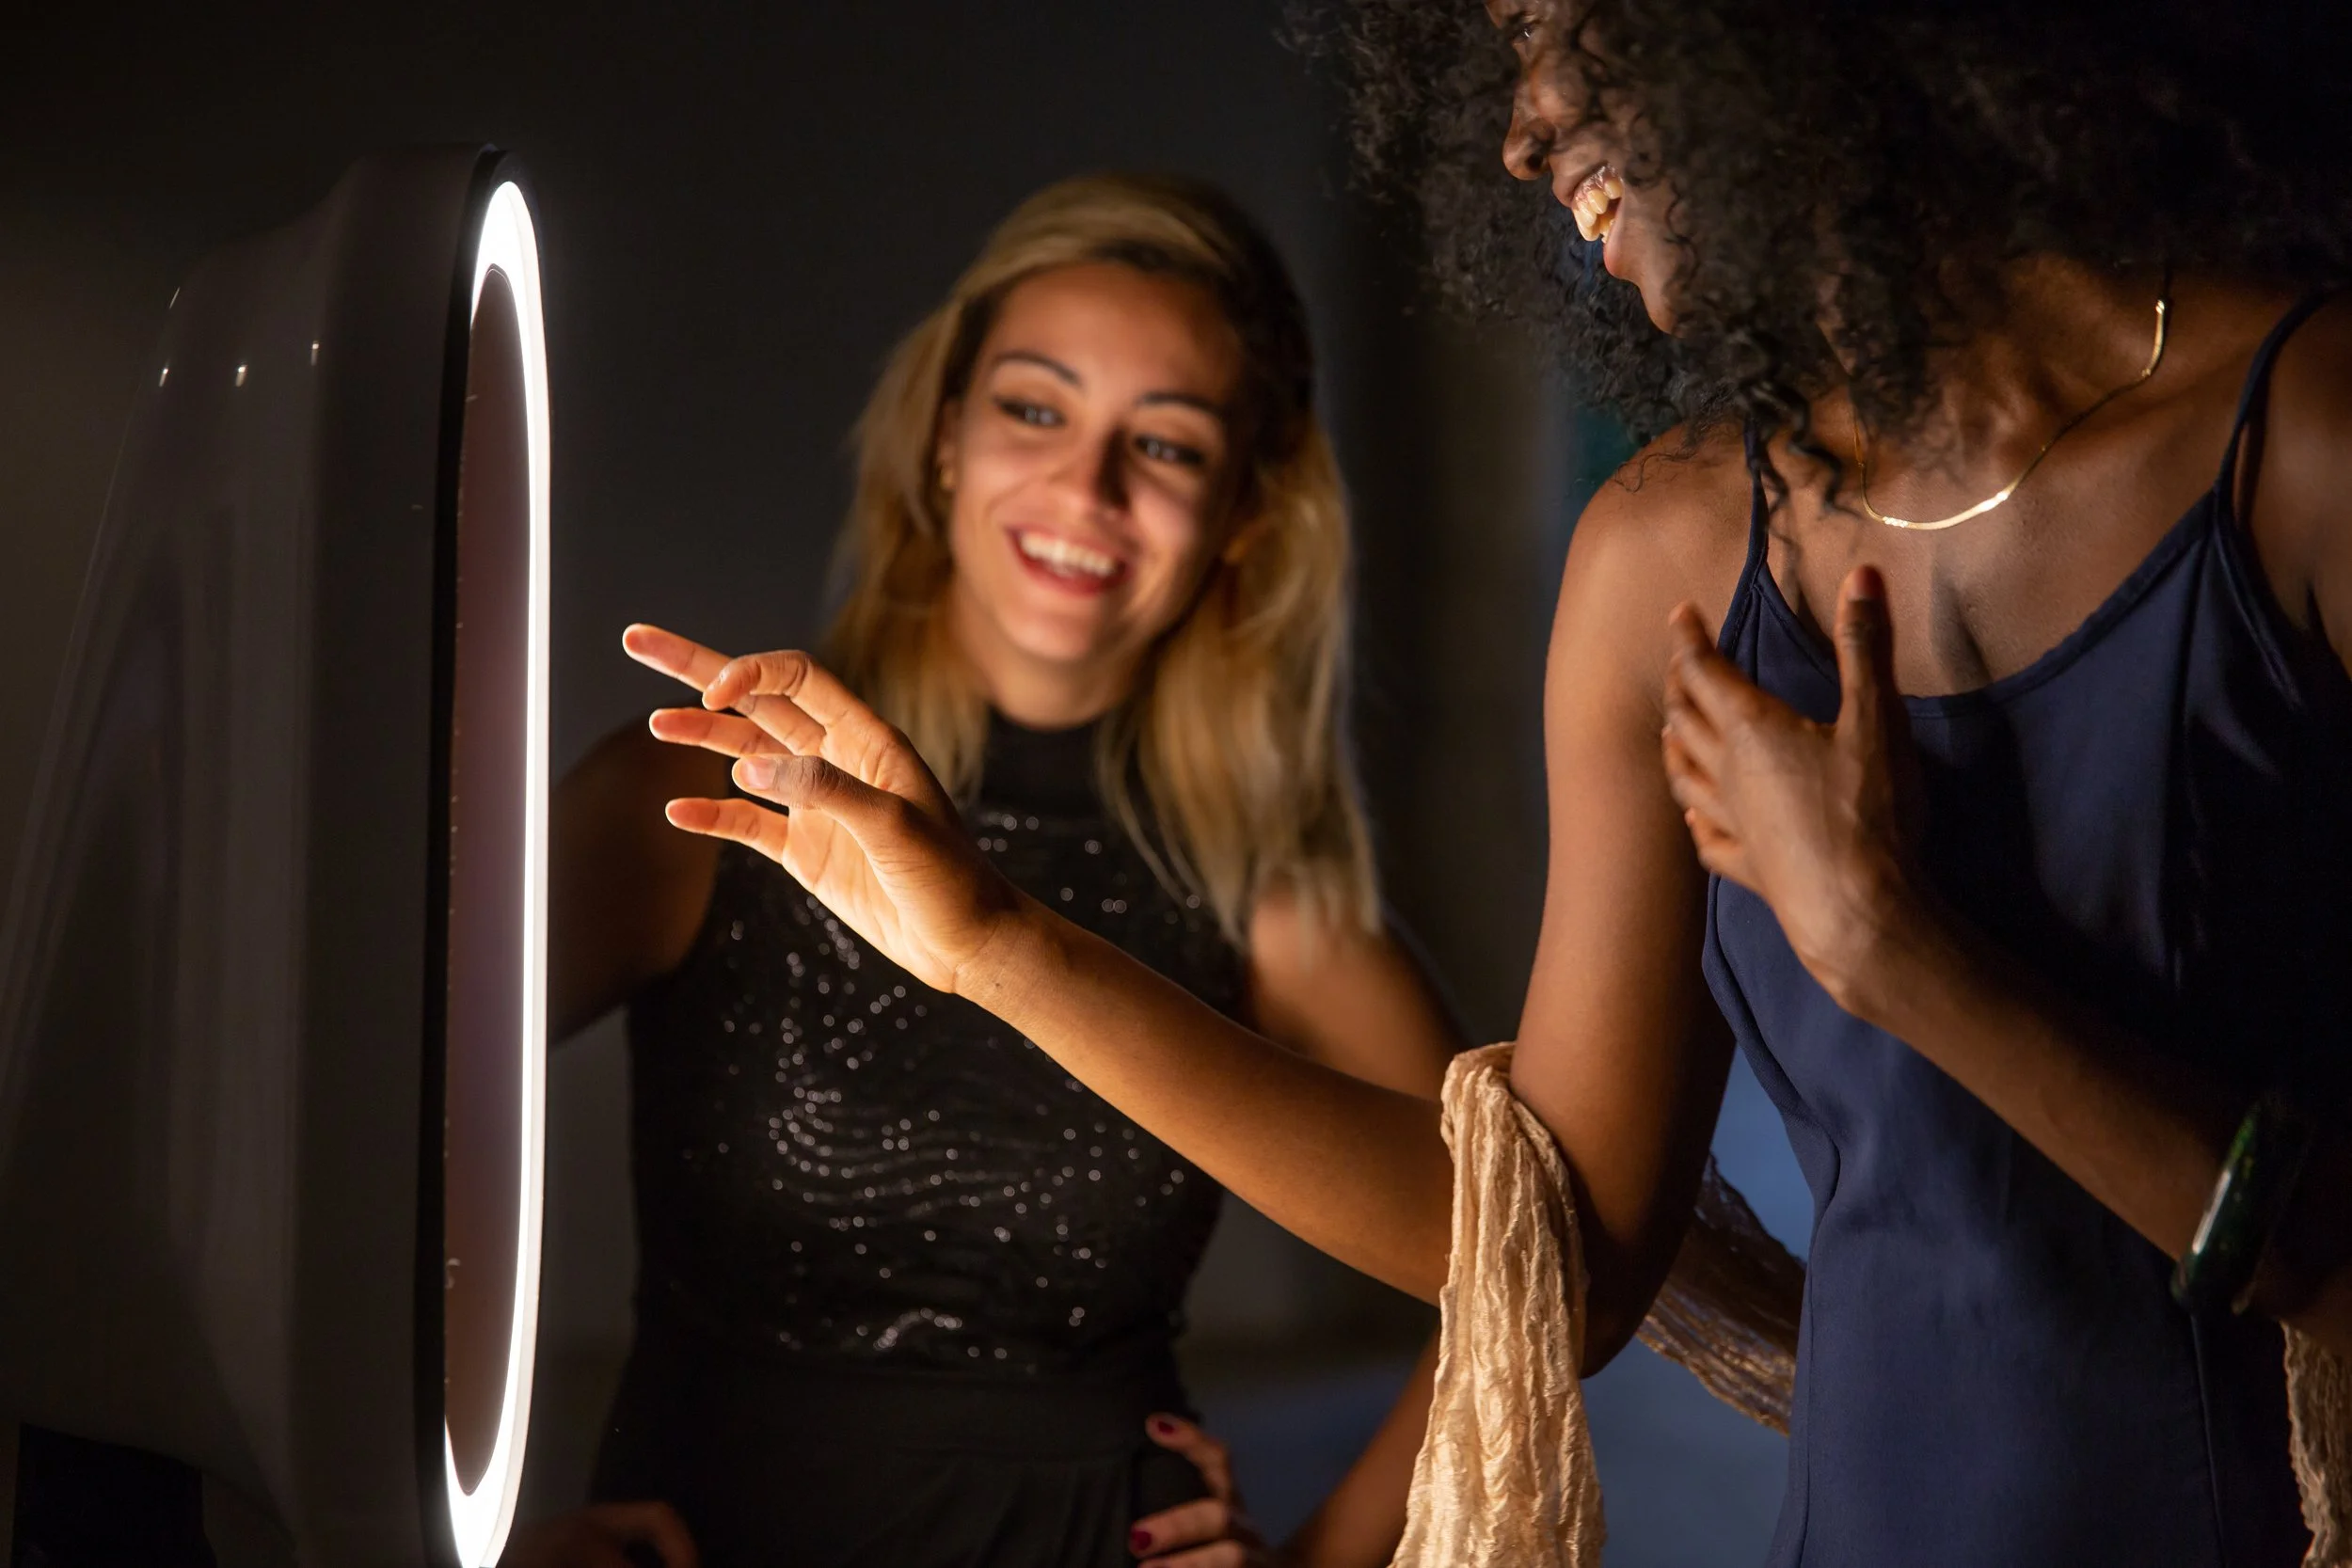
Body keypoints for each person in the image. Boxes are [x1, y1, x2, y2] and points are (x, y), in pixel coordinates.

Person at [627, 3, 2352, 1565]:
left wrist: (1897, 950)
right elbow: (1558, 1263)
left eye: (1558, 26)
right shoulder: (1668, 558)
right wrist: (988, 939)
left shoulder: (2311, 442)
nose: (1520, 129)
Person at [522, 174, 1460, 1568]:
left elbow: (1528, 1267)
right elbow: (341, 1134)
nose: (1086, 488)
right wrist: (458, 1524)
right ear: (945, 438)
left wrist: (1326, 1562)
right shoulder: (706, 794)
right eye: (1036, 408)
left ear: (1247, 516)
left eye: (1171, 446)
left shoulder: (1266, 900)